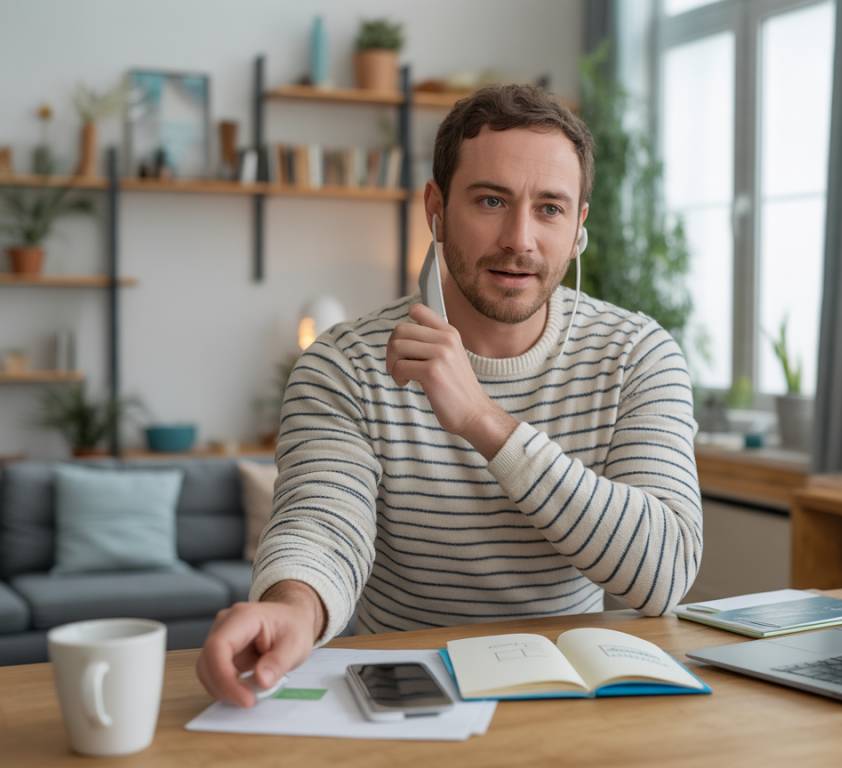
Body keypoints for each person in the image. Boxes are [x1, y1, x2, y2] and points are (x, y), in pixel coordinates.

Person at [197, 84, 702, 706]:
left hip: (573, 702)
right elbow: (322, 526)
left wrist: (484, 421)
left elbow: (663, 576)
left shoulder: (637, 355)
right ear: (435, 208)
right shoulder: (342, 365)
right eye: (491, 200)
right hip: (409, 700)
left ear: (578, 228)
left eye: (549, 208)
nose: (520, 238)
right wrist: (294, 611)